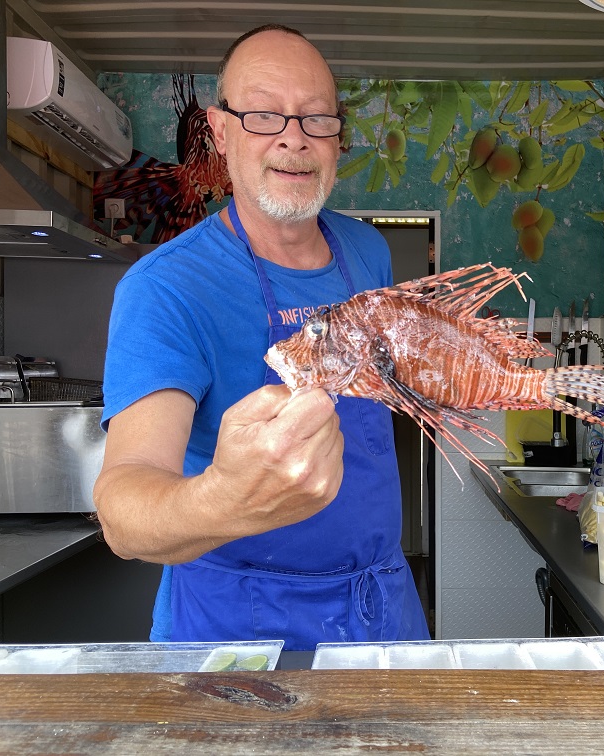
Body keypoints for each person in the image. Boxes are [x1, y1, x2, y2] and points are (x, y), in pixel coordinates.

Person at [93, 24, 429, 650]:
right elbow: (123, 510)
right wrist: (226, 499)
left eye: (316, 118)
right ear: (220, 133)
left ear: (337, 135)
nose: (293, 140)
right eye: (263, 116)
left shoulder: (368, 250)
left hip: (380, 607)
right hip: (236, 626)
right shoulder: (167, 287)